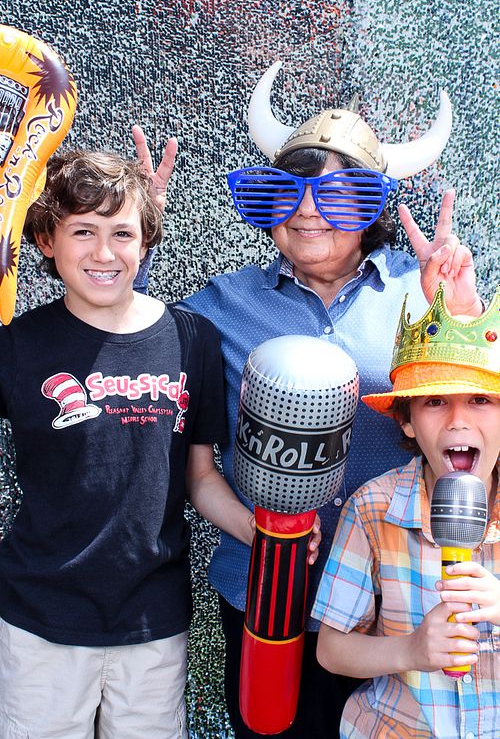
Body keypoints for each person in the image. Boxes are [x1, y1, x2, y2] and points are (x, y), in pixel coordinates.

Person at [133, 62, 484, 738]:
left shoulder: (426, 293)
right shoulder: (222, 305)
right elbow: (135, 348)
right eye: (284, 193)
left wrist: (460, 316)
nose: (307, 211)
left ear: (374, 209)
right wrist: (131, 246)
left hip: (396, 593)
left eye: (339, 196)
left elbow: (474, 422)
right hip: (264, 590)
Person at [0, 148, 260, 739]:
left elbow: (199, 476)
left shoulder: (192, 338)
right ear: (46, 241)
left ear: (145, 244)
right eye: (83, 231)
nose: (103, 252)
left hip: (152, 620)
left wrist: (258, 532)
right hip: (41, 618)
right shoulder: (18, 345)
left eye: (122, 233)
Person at [313, 282, 500, 738]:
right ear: (407, 420)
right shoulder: (372, 508)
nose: (458, 420)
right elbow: (331, 650)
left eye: (480, 400)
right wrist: (411, 650)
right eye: (435, 401)